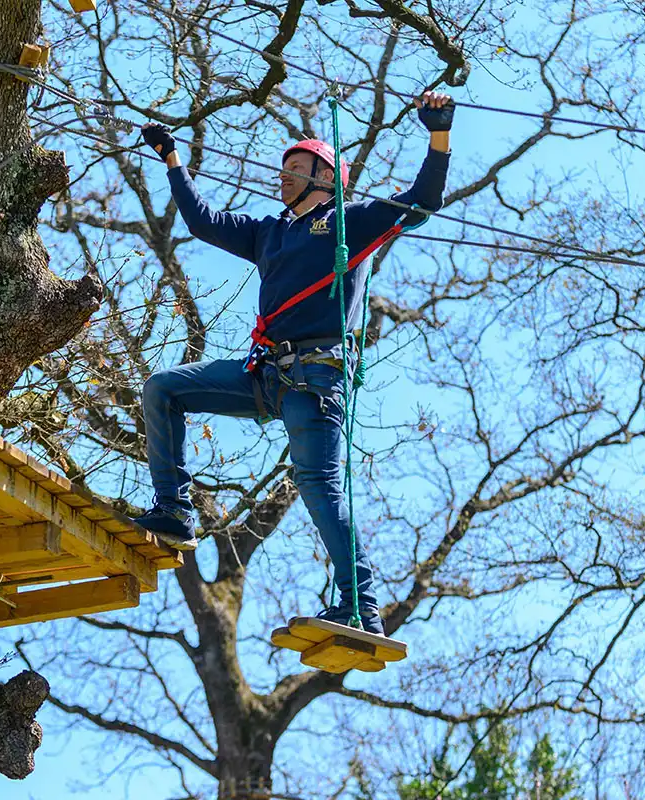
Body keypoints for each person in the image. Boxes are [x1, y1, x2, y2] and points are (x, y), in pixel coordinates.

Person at [130, 92, 455, 631]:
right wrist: (172, 159)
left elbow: (423, 199)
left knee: (319, 484)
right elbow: (201, 221)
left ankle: (360, 606)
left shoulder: (353, 222)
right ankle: (174, 509)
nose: (282, 178)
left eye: (295, 169)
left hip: (317, 379)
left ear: (327, 178)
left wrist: (437, 135)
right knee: (163, 388)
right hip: (265, 373)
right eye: (282, 170)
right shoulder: (269, 233)